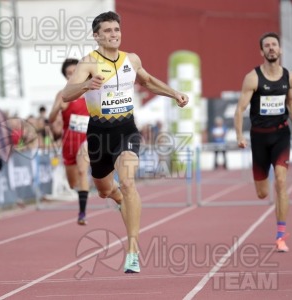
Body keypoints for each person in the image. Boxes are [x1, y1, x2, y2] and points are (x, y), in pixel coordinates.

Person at [61, 11, 189, 273]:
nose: (114, 34)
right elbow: (66, 94)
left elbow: (148, 81)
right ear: (96, 35)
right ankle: (117, 197)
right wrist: (86, 86)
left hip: (126, 130)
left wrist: (174, 93)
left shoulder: (131, 59)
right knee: (105, 190)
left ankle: (132, 251)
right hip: (98, 134)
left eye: (116, 30)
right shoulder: (88, 63)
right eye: (107, 31)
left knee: (129, 181)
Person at [234, 32, 292, 252]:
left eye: (274, 45)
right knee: (262, 193)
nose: (271, 48)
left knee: (281, 182)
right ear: (261, 52)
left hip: (281, 135)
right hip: (259, 138)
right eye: (267, 46)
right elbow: (240, 109)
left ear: (279, 50)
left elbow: (290, 101)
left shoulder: (290, 77)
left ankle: (281, 235)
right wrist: (239, 136)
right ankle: (279, 229)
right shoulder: (252, 78)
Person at [49, 58, 91, 225]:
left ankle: (82, 213)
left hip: (86, 139)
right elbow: (51, 119)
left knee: (82, 172)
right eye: (69, 73)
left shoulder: (89, 92)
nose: (72, 76)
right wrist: (57, 108)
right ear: (65, 76)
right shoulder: (61, 95)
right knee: (73, 183)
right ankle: (84, 193)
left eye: (75, 72)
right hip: (69, 142)